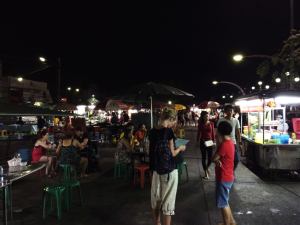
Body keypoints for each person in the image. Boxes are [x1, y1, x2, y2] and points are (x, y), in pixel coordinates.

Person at [147, 107, 186, 225]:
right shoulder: (168, 132)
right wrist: (180, 148)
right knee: (168, 201)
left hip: (156, 170)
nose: (173, 123)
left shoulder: (152, 131)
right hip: (169, 171)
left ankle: (157, 223)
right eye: (173, 121)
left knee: (156, 200)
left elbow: (149, 151)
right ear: (170, 118)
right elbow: (172, 153)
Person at [212, 121, 236, 225]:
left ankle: (227, 223)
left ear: (220, 131)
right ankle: (231, 221)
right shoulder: (230, 143)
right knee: (225, 201)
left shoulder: (224, 145)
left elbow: (213, 158)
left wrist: (217, 141)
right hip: (229, 176)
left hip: (223, 177)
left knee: (223, 203)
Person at [217, 105, 241, 170]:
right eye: (228, 110)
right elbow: (218, 132)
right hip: (223, 143)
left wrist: (240, 142)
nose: (230, 112)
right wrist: (217, 143)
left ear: (233, 112)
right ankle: (227, 172)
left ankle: (231, 171)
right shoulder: (221, 120)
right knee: (224, 160)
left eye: (231, 110)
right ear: (225, 111)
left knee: (237, 159)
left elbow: (238, 132)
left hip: (233, 143)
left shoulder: (236, 121)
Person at [196, 111, 216, 180]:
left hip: (210, 142)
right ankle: (205, 172)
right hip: (203, 142)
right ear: (202, 117)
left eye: (207, 116)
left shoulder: (211, 123)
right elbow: (199, 133)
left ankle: (207, 167)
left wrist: (214, 141)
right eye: (205, 116)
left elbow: (213, 133)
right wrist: (197, 142)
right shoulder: (200, 124)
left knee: (210, 158)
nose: (206, 118)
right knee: (204, 157)